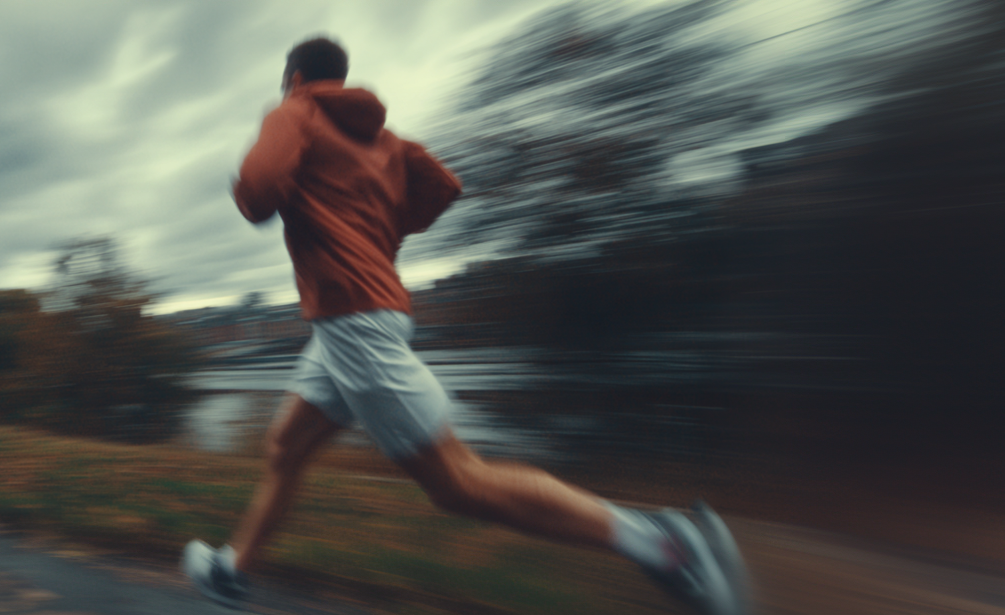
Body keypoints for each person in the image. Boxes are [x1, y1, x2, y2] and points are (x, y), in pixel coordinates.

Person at [182, 36, 751, 615]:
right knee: (286, 445)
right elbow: (442, 186)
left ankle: (664, 547)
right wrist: (379, 229)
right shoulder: (386, 143)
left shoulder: (295, 111)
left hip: (354, 322)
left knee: (458, 482)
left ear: (296, 79)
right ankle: (234, 570)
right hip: (355, 321)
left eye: (288, 86)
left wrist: (265, 183)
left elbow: (258, 194)